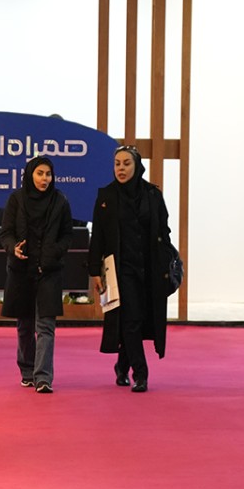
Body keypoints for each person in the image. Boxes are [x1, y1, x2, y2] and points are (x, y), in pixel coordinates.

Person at [88, 145, 172, 393]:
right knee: (131, 319)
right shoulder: (106, 196)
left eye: (126, 163)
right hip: (120, 270)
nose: (121, 169)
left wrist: (167, 262)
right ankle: (141, 373)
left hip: (149, 269)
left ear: (137, 166)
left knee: (136, 319)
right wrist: (94, 271)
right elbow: (98, 237)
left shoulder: (152, 195)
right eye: (117, 164)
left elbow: (164, 231)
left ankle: (121, 366)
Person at [0, 156, 74, 394]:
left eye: (48, 174)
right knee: (24, 325)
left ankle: (43, 377)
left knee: (46, 326)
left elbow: (67, 234)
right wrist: (13, 248)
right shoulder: (16, 199)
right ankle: (27, 370)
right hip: (21, 270)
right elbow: (5, 233)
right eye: (40, 173)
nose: (45, 179)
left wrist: (56, 251)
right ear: (30, 175)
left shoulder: (60, 200)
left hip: (49, 271)